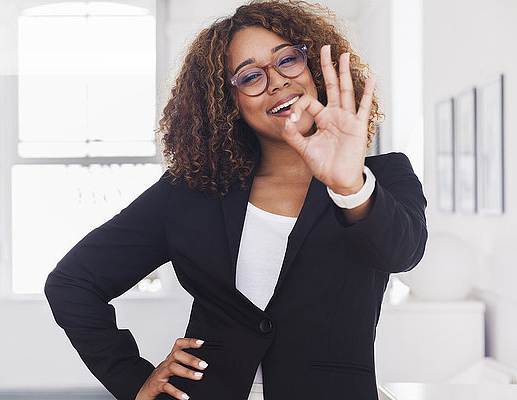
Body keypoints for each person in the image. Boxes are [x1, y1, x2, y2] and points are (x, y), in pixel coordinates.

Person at [44, 0, 428, 399]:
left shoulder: (382, 177)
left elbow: (401, 255)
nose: (277, 81)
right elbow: (73, 282)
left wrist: (349, 185)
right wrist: (132, 377)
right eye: (249, 77)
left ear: (311, 69)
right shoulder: (190, 191)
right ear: (230, 104)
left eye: (287, 60)